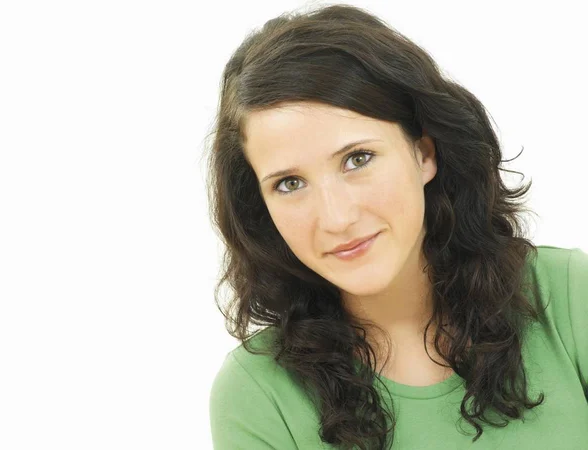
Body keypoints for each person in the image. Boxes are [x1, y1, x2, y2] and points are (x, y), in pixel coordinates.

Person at [205, 4, 588, 449]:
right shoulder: (258, 396)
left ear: (424, 153)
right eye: (290, 183)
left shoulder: (567, 297)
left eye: (358, 159)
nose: (336, 218)